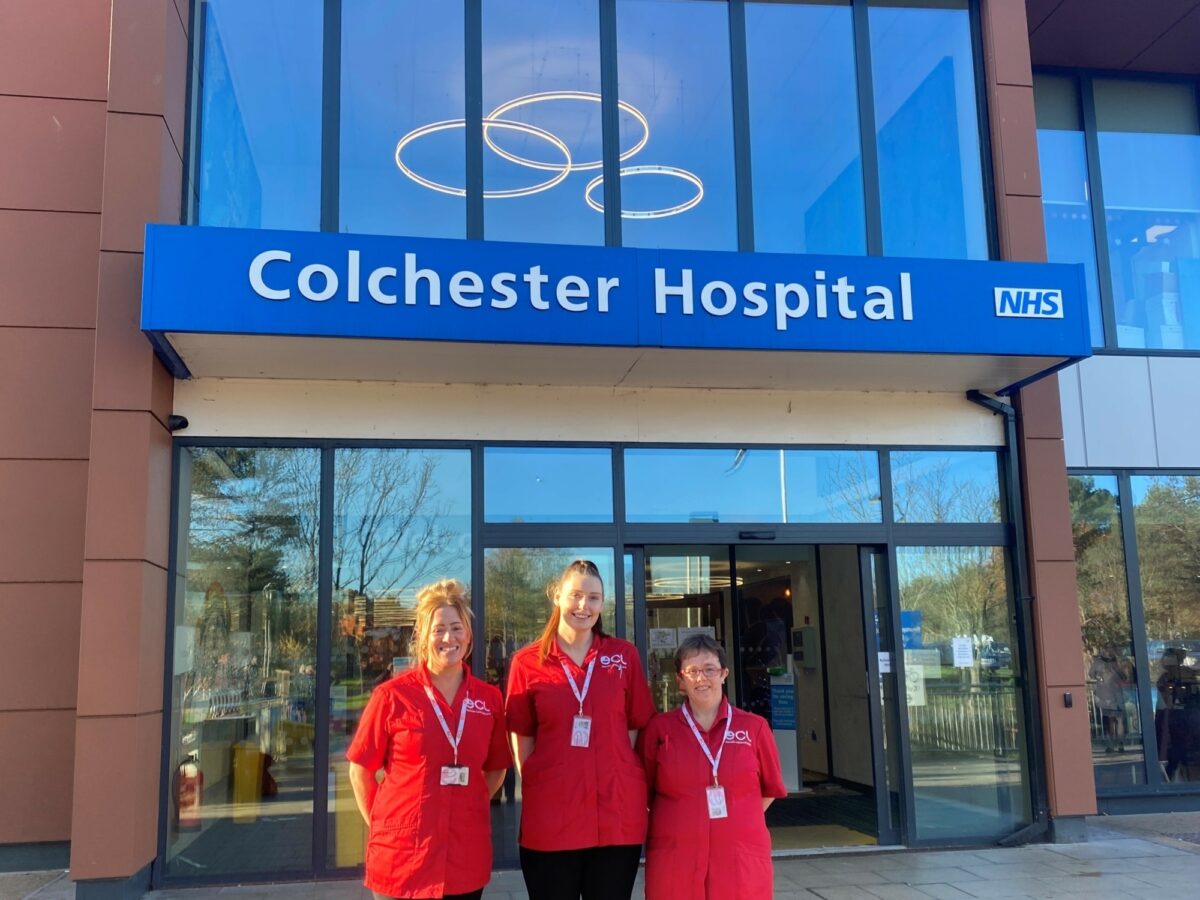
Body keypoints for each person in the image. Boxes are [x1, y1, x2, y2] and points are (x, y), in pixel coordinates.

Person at [347, 579, 511, 900]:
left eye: (456, 627)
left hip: (464, 856)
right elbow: (360, 771)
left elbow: (495, 769)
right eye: (438, 629)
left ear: (469, 635)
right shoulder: (392, 696)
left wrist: (466, 803)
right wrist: (385, 823)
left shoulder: (489, 699)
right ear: (422, 637)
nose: (448, 638)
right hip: (402, 859)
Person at [505, 559, 655, 900]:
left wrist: (612, 767)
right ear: (557, 596)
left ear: (603, 605)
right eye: (575, 595)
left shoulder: (623, 656)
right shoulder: (527, 663)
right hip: (552, 818)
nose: (583, 606)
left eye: (594, 598)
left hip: (615, 816)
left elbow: (632, 730)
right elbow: (522, 743)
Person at [638, 633, 786, 900]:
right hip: (676, 857)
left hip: (738, 858)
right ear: (680, 680)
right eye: (692, 671)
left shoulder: (753, 728)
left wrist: (736, 815)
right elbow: (645, 792)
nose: (701, 678)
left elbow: (770, 788)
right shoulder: (659, 730)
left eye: (709, 669)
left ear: (724, 673)